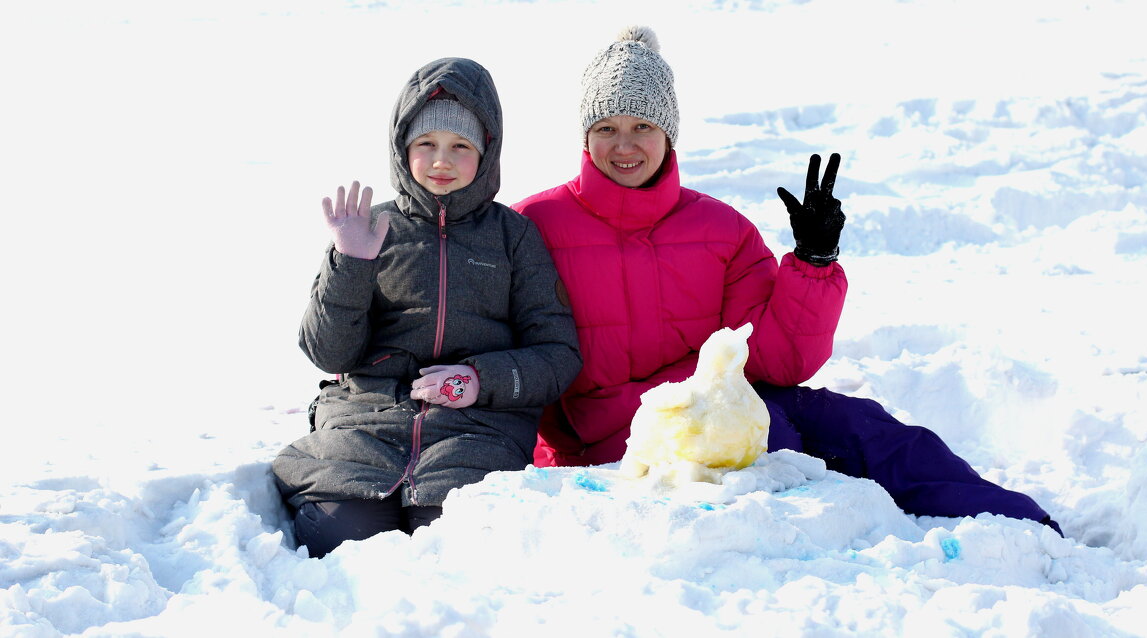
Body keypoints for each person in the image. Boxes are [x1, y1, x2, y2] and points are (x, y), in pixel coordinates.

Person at [514, 27, 1061, 534]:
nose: (624, 145)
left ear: (669, 133)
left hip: (731, 404)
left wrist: (813, 264)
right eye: (606, 128)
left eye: (642, 127)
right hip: (613, 437)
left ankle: (1021, 529)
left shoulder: (720, 229)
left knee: (865, 428)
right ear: (586, 136)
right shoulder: (532, 226)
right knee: (786, 447)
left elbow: (779, 362)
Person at [272, 57, 582, 558]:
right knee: (341, 535)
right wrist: (350, 263)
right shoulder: (370, 229)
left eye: (461, 146)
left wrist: (480, 380)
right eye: (427, 145)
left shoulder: (513, 236)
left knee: (450, 542)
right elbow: (329, 353)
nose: (442, 160)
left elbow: (558, 353)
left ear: (487, 153)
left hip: (476, 432)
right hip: (364, 427)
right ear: (403, 149)